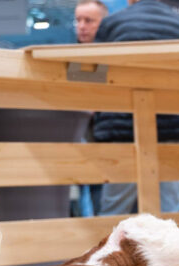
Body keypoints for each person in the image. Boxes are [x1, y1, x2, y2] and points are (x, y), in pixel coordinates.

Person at [93, 0, 179, 215]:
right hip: (172, 126)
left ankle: (111, 248)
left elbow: (96, 75)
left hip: (124, 127)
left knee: (114, 210)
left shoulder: (113, 22)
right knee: (169, 210)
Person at [71, 0, 108, 217]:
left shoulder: (114, 58)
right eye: (78, 20)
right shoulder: (68, 60)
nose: (82, 26)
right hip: (79, 138)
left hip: (108, 140)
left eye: (88, 20)